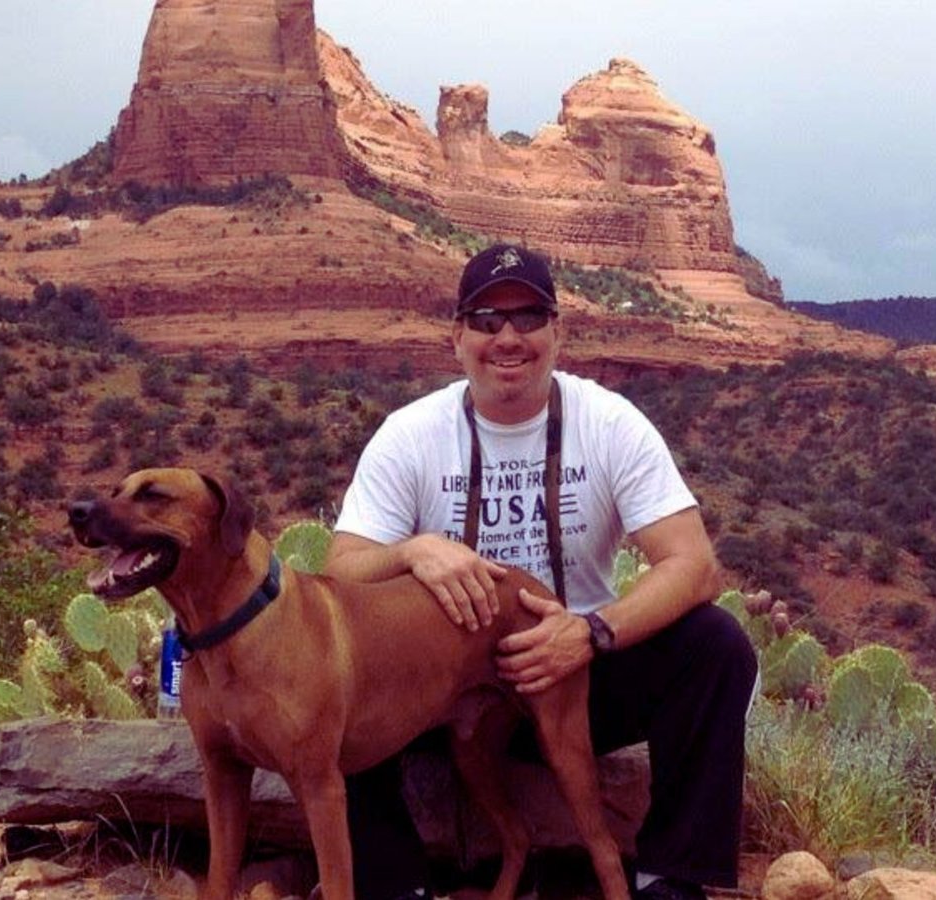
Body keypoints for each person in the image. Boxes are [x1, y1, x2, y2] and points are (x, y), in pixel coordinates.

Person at [324, 243, 760, 900]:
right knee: (338, 676)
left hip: (577, 677)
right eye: (486, 319)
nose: (508, 337)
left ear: (559, 331)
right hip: (444, 691)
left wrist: (590, 633)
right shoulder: (411, 435)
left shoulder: (608, 423)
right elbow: (342, 574)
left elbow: (694, 566)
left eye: (528, 317)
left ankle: (671, 877)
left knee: (717, 647)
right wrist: (412, 551)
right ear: (457, 337)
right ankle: (394, 883)